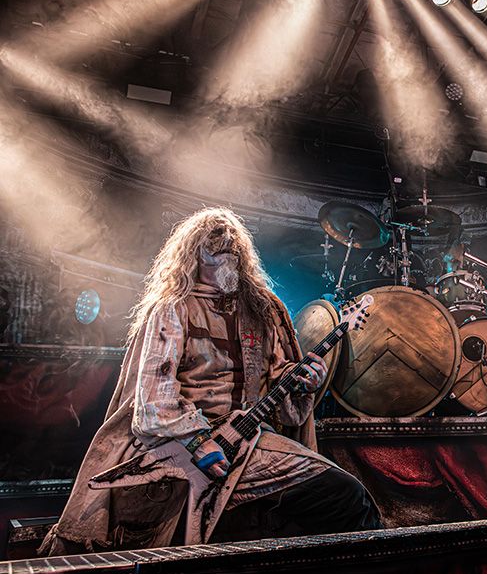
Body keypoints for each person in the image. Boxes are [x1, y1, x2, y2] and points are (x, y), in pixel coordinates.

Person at [42, 208, 380, 554]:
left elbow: (284, 400)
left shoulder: (265, 310)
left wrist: (306, 382)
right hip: (179, 444)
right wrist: (198, 440)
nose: (226, 255)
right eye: (215, 248)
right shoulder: (173, 308)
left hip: (251, 441)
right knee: (342, 498)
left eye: (233, 249)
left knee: (347, 495)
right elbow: (154, 401)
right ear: (193, 255)